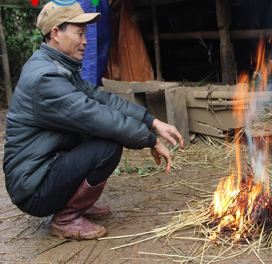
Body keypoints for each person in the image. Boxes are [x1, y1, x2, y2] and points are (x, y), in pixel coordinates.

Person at [3, 1, 183, 240]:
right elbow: (97, 116)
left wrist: (152, 122)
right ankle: (66, 218)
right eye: (79, 33)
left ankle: (76, 202)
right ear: (56, 33)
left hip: (43, 169)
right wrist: (150, 140)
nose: (86, 40)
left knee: (101, 133)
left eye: (85, 33)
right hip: (32, 187)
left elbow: (102, 99)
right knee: (107, 144)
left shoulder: (57, 67)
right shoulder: (46, 78)